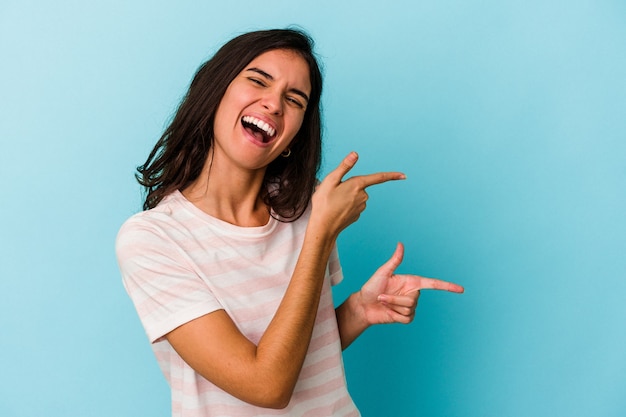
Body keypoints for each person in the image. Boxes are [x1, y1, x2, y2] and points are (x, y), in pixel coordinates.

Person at [116, 28, 464, 417]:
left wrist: (357, 312)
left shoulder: (306, 206)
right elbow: (266, 385)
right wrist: (321, 233)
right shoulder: (153, 239)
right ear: (214, 92)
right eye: (257, 80)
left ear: (296, 135)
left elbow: (298, 350)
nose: (274, 104)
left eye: (294, 99)